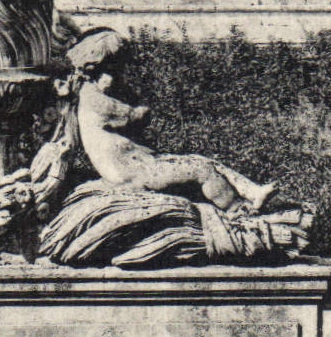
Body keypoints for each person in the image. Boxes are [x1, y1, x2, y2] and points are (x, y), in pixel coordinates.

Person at [67, 29, 273, 212]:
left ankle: (252, 192)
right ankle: (237, 211)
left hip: (138, 165)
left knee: (201, 160)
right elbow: (137, 115)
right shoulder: (95, 99)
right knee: (201, 170)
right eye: (113, 69)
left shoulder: (93, 94)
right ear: (97, 68)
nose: (118, 76)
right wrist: (140, 109)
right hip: (131, 172)